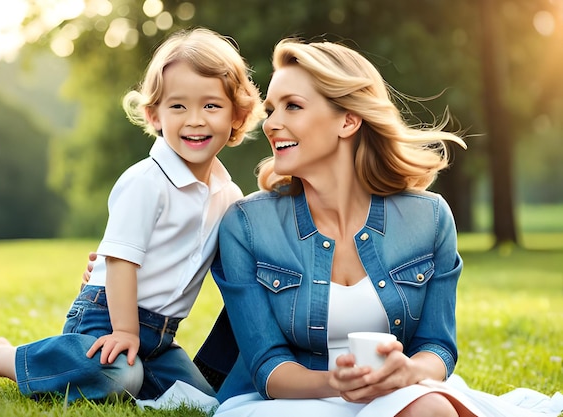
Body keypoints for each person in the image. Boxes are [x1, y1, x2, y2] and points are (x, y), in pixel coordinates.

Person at [200, 38, 562, 417]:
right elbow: (266, 364)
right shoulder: (246, 225)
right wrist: (336, 384)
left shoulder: (430, 218)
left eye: (293, 106)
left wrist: (408, 371)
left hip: (395, 394)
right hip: (289, 403)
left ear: (349, 120)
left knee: (432, 407)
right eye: (272, 109)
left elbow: (437, 346)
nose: (272, 124)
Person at [0, 27, 264, 403]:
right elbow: (120, 261)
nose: (194, 119)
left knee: (201, 401)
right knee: (118, 375)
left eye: (211, 106)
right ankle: (6, 358)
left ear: (237, 116)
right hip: (108, 318)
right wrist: (127, 331)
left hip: (161, 338)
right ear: (154, 115)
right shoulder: (147, 181)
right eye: (178, 106)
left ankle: (100, 365)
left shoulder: (227, 196)